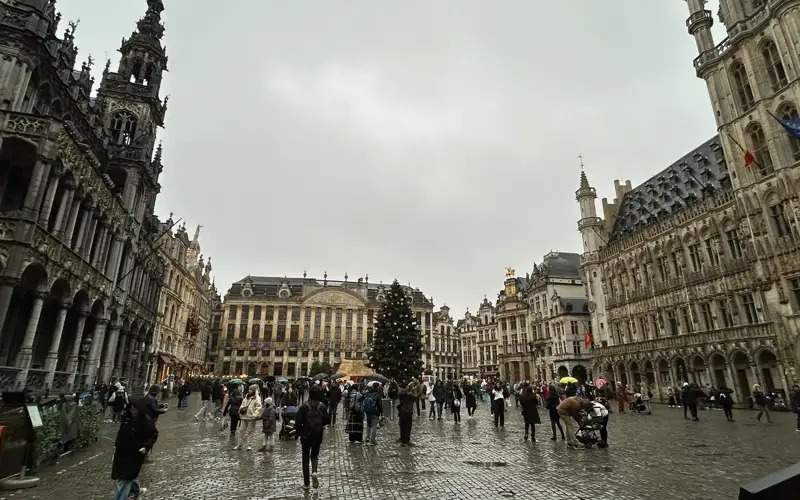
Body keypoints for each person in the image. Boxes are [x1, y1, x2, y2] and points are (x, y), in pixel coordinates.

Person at [111, 396, 157, 500]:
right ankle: (135, 491)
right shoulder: (126, 419)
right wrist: (115, 449)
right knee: (127, 477)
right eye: (131, 408)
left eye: (135, 408)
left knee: (124, 479)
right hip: (122, 453)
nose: (132, 410)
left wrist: (146, 446)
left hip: (135, 454)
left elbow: (153, 435)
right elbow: (120, 435)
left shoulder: (145, 421)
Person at [295, 386, 330, 491]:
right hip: (318, 435)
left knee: (305, 459)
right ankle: (314, 472)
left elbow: (297, 423)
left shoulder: (304, 406)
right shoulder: (322, 406)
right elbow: (327, 420)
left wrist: (300, 433)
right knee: (314, 455)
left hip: (306, 435)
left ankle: (306, 483)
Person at [234, 384, 263, 450]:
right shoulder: (246, 396)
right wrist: (240, 410)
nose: (249, 390)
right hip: (244, 416)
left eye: (251, 389)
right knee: (241, 430)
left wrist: (254, 415)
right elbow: (242, 404)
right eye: (249, 389)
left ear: (254, 390)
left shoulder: (257, 398)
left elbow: (259, 407)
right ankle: (239, 445)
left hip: (251, 417)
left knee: (250, 431)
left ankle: (249, 445)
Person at [397, 381, 417, 446]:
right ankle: (407, 440)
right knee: (408, 427)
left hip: (402, 412)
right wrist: (413, 391)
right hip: (408, 412)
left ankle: (403, 440)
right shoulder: (410, 395)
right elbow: (416, 397)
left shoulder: (401, 394)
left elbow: (400, 394)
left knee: (402, 426)